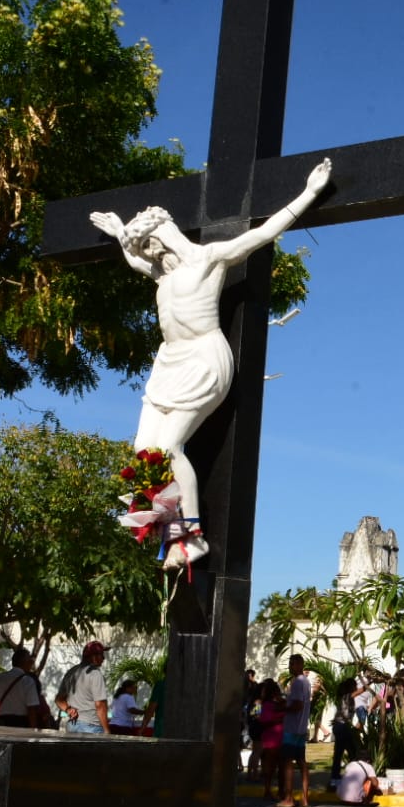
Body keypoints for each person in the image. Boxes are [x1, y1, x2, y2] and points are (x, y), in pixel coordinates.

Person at [90, 158, 332, 568]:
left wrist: (309, 192)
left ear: (163, 239)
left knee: (167, 448)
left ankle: (192, 536)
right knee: (142, 451)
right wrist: (119, 235)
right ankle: (170, 532)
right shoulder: (162, 275)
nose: (146, 256)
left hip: (203, 359)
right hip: (168, 363)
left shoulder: (206, 259)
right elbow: (134, 262)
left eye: (147, 246)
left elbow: (261, 234)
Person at [276, 654, 312, 807]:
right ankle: (304, 798)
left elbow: (297, 705)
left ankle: (289, 798)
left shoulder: (297, 682)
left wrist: (283, 707)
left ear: (300, 665)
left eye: (293, 663)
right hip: (302, 728)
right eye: (290, 663)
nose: (290, 666)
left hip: (292, 728)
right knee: (302, 763)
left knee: (288, 762)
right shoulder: (306, 682)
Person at [56, 641, 110, 734]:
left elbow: (59, 700)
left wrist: (68, 710)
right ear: (93, 657)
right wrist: (106, 730)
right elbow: (100, 704)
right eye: (101, 654)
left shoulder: (71, 672)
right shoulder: (95, 673)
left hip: (72, 726)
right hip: (92, 727)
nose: (104, 658)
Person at [0, 649, 43, 729]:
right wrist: (34, 730)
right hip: (20, 723)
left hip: (2, 722)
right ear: (25, 663)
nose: (31, 664)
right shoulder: (28, 681)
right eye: (30, 661)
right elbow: (31, 709)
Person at [252, 679, 285, 799]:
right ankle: (257, 776)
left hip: (274, 736)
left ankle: (272, 789)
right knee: (269, 763)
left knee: (274, 764)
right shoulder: (263, 704)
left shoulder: (276, 704)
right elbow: (258, 717)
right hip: (271, 736)